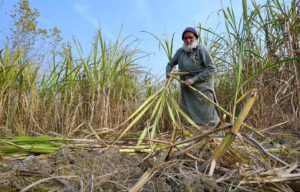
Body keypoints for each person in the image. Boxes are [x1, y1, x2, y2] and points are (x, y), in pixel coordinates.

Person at [166, 27, 219, 128]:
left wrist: (193, 80)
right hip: (188, 91)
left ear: (196, 38)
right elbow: (170, 64)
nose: (188, 40)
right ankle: (194, 138)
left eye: (190, 37)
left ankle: (214, 137)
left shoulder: (201, 49)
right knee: (189, 116)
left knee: (208, 116)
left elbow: (211, 68)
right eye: (185, 38)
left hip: (203, 89)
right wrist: (168, 73)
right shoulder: (180, 52)